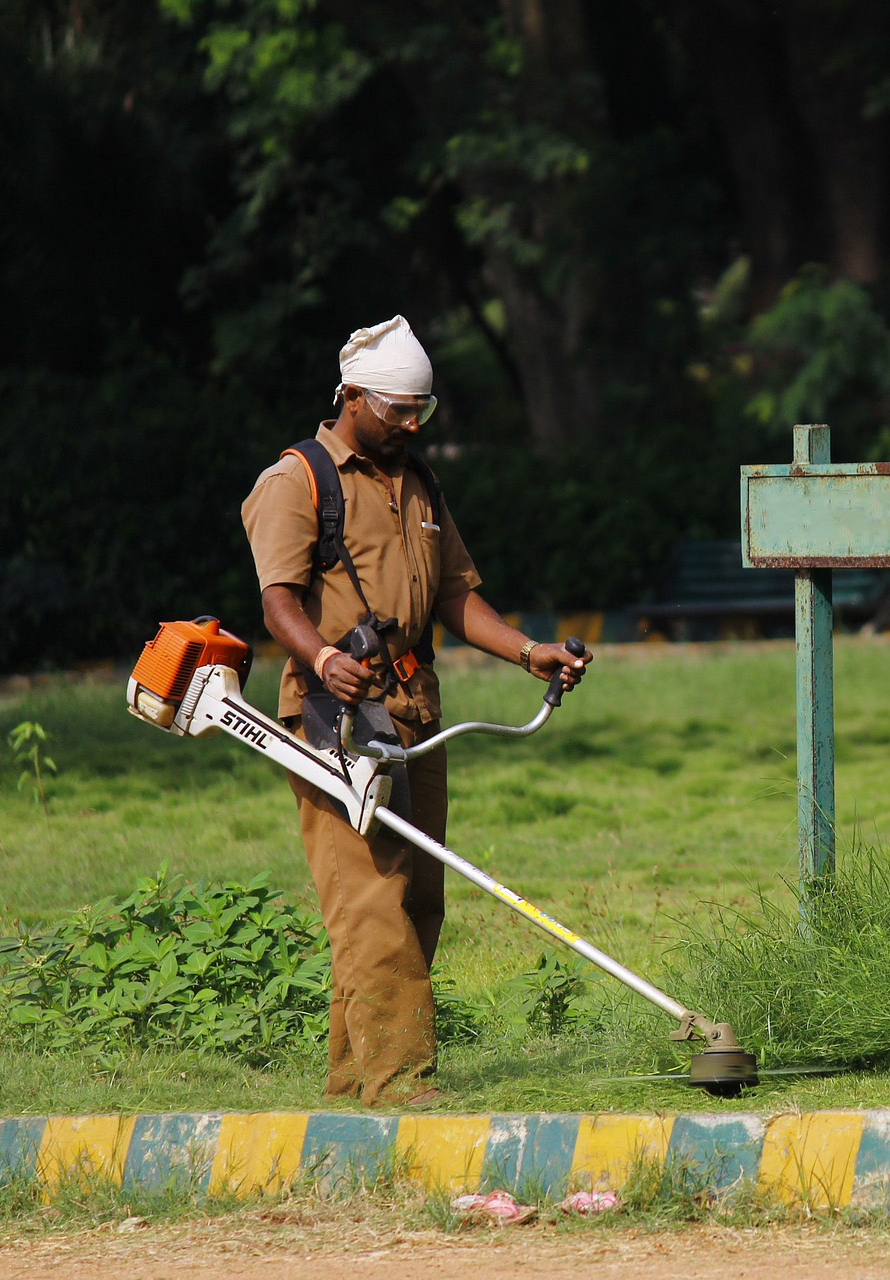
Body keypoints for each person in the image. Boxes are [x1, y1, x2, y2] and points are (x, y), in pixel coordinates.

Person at [240, 315, 590, 1108]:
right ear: (353, 397)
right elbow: (277, 601)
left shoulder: (421, 484)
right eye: (398, 409)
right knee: (369, 903)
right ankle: (402, 1090)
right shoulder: (296, 481)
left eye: (421, 412)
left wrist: (525, 649)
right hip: (334, 719)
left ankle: (351, 1085)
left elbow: (457, 594)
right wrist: (323, 656)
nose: (409, 423)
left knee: (413, 899)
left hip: (415, 714)